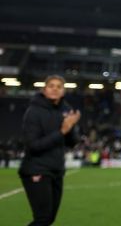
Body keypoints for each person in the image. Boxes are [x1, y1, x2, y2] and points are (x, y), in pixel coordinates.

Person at [19, 74, 81, 226]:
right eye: (51, 86)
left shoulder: (66, 110)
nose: (55, 89)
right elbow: (33, 146)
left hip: (56, 170)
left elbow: (72, 143)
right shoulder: (33, 112)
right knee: (43, 219)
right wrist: (62, 131)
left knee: (49, 219)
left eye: (59, 86)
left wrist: (71, 127)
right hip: (36, 169)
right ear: (44, 89)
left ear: (64, 91)